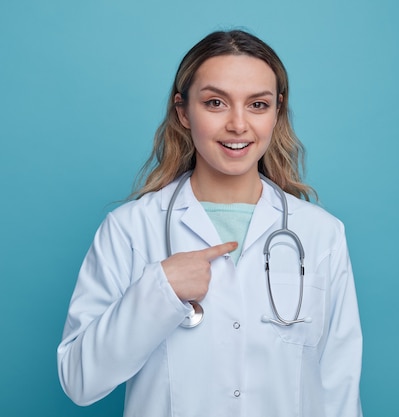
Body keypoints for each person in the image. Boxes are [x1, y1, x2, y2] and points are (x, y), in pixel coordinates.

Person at [57, 29, 363, 416]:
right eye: (216, 102)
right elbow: (79, 380)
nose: (238, 125)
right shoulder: (130, 229)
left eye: (257, 104)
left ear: (277, 113)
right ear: (183, 111)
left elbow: (340, 384)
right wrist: (159, 289)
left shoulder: (321, 234)